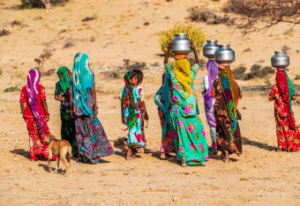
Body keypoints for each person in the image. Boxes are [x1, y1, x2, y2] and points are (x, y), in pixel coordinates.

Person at [164, 39, 209, 166]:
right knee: (196, 131)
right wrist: (194, 49)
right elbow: (198, 64)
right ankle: (196, 156)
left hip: (178, 110)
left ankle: (184, 159)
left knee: (182, 133)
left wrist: (168, 48)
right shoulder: (191, 75)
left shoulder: (173, 76)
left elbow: (165, 63)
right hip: (191, 110)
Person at [70, 52, 114, 164]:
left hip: (77, 108)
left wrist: (71, 108)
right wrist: (95, 105)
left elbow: (71, 94)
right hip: (89, 107)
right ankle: (91, 154)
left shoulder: (74, 76)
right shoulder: (90, 74)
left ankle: (81, 155)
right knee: (90, 131)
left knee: (79, 131)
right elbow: (93, 91)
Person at [20, 69, 57, 161]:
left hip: (29, 116)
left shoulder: (24, 89)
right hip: (40, 115)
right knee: (44, 134)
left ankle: (34, 155)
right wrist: (47, 112)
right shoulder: (40, 88)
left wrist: (24, 115)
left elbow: (22, 103)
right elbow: (43, 101)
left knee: (33, 135)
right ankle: (46, 153)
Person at [211, 61, 242, 163]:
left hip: (221, 112)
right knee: (229, 131)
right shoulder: (234, 83)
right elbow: (239, 96)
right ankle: (227, 153)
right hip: (231, 112)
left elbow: (212, 95)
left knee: (223, 133)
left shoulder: (216, 82)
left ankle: (227, 156)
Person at [268, 68, 300, 152]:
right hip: (288, 110)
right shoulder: (289, 87)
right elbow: (294, 97)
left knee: (280, 127)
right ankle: (291, 146)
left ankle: (280, 146)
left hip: (279, 111)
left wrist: (275, 96)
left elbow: (270, 98)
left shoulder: (275, 87)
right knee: (289, 126)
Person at [120, 71, 147, 160]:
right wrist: (143, 113)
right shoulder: (136, 90)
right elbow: (139, 103)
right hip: (135, 115)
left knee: (132, 131)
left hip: (128, 115)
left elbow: (122, 102)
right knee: (133, 132)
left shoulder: (124, 90)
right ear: (130, 80)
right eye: (135, 78)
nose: (136, 80)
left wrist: (122, 115)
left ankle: (134, 153)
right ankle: (128, 155)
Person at [54, 66, 77, 154]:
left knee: (65, 127)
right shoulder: (74, 82)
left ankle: (65, 147)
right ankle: (74, 148)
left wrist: (64, 100)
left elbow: (56, 97)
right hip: (74, 108)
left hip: (64, 109)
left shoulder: (58, 84)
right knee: (73, 127)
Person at [154, 72, 176, 159]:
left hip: (164, 113)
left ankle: (166, 151)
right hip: (167, 114)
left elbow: (157, 99)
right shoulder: (168, 90)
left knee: (168, 132)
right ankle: (163, 151)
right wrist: (166, 108)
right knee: (167, 132)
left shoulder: (162, 89)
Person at [201, 59, 219, 154]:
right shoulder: (219, 78)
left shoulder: (204, 78)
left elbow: (203, 91)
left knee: (212, 125)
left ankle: (214, 145)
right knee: (220, 123)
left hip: (209, 104)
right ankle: (221, 143)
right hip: (219, 103)